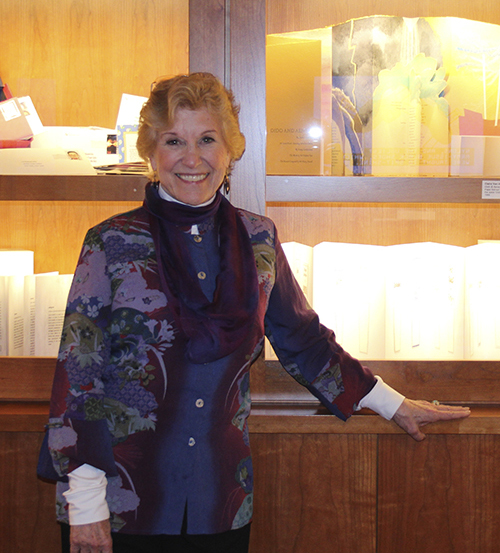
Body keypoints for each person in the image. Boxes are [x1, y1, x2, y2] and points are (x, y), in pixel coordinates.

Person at [37, 72, 470, 553]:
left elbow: (303, 340)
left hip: (219, 501)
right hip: (120, 506)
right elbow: (80, 378)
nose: (192, 157)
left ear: (230, 149)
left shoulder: (259, 237)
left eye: (207, 139)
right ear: (151, 152)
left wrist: (393, 404)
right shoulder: (112, 242)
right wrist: (87, 503)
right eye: (173, 140)